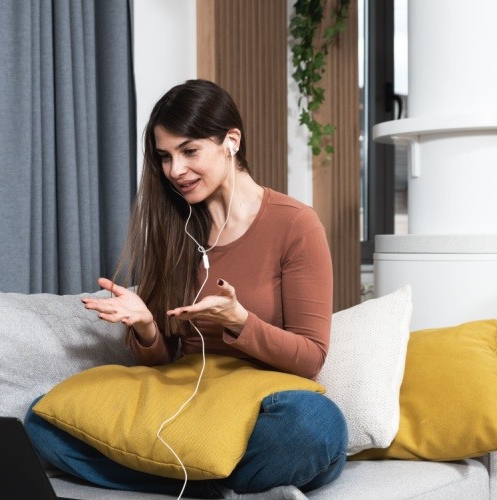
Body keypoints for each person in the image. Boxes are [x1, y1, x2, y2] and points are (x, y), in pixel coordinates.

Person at [24, 79, 347, 497]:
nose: (175, 171)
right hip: (186, 402)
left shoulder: (295, 225)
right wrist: (145, 327)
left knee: (316, 427)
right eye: (165, 157)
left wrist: (241, 322)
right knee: (42, 419)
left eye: (189, 151)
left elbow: (310, 358)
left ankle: (191, 480)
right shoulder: (174, 228)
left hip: (258, 403)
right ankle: (214, 488)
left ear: (231, 141)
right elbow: (165, 362)